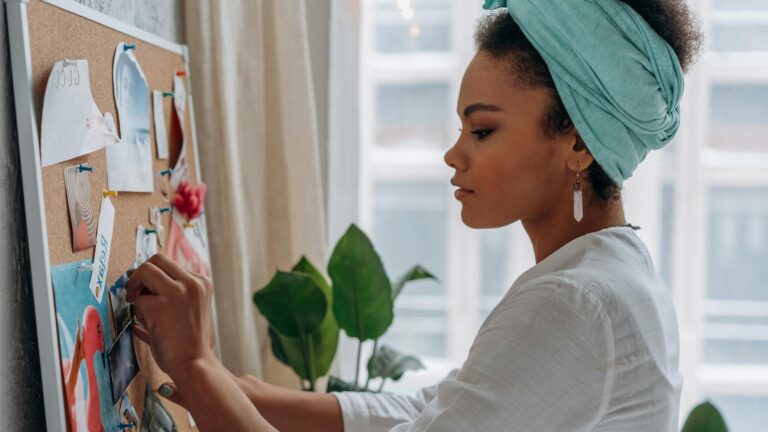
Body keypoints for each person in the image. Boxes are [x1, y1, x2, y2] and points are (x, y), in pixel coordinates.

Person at [127, 0, 703, 430]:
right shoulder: (613, 281)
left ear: (578, 143)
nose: (455, 154)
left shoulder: (577, 302)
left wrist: (198, 366)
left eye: (482, 130)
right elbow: (431, 408)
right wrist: (240, 388)